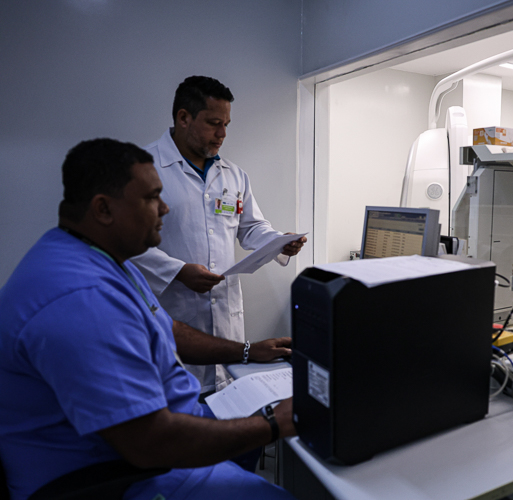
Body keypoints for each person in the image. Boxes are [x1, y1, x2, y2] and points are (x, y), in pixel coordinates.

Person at [0, 139, 295, 500]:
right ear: (103, 209)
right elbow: (151, 442)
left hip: (157, 436)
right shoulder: (80, 297)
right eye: (153, 198)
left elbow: (168, 329)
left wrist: (247, 351)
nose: (165, 208)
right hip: (112, 476)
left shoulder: (99, 258)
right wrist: (274, 424)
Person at [131, 76, 306, 395]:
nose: (223, 134)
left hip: (226, 321)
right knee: (178, 404)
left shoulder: (234, 175)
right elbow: (127, 243)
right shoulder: (143, 168)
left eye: (226, 124)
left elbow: (250, 227)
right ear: (184, 117)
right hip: (172, 316)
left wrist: (279, 242)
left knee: (226, 403)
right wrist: (178, 271)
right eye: (214, 124)